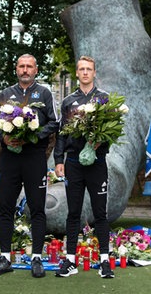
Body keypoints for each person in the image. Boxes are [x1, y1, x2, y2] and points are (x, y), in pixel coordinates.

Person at [0, 54, 59, 278]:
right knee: (6, 208)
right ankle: (5, 258)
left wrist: (35, 136)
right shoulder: (6, 94)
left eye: (29, 66)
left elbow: (55, 123)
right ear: (16, 69)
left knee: (37, 208)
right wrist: (4, 137)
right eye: (21, 66)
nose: (25, 70)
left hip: (34, 158)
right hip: (9, 157)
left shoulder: (45, 93)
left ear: (36, 70)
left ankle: (36, 258)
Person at [53, 55, 115, 278]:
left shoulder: (105, 99)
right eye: (82, 69)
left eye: (89, 69)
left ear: (94, 72)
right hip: (73, 163)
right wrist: (58, 160)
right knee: (73, 212)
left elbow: (113, 132)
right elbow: (61, 133)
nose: (86, 72)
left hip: (97, 163)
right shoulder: (69, 101)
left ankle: (105, 261)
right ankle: (70, 261)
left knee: (100, 212)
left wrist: (98, 143)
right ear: (77, 73)